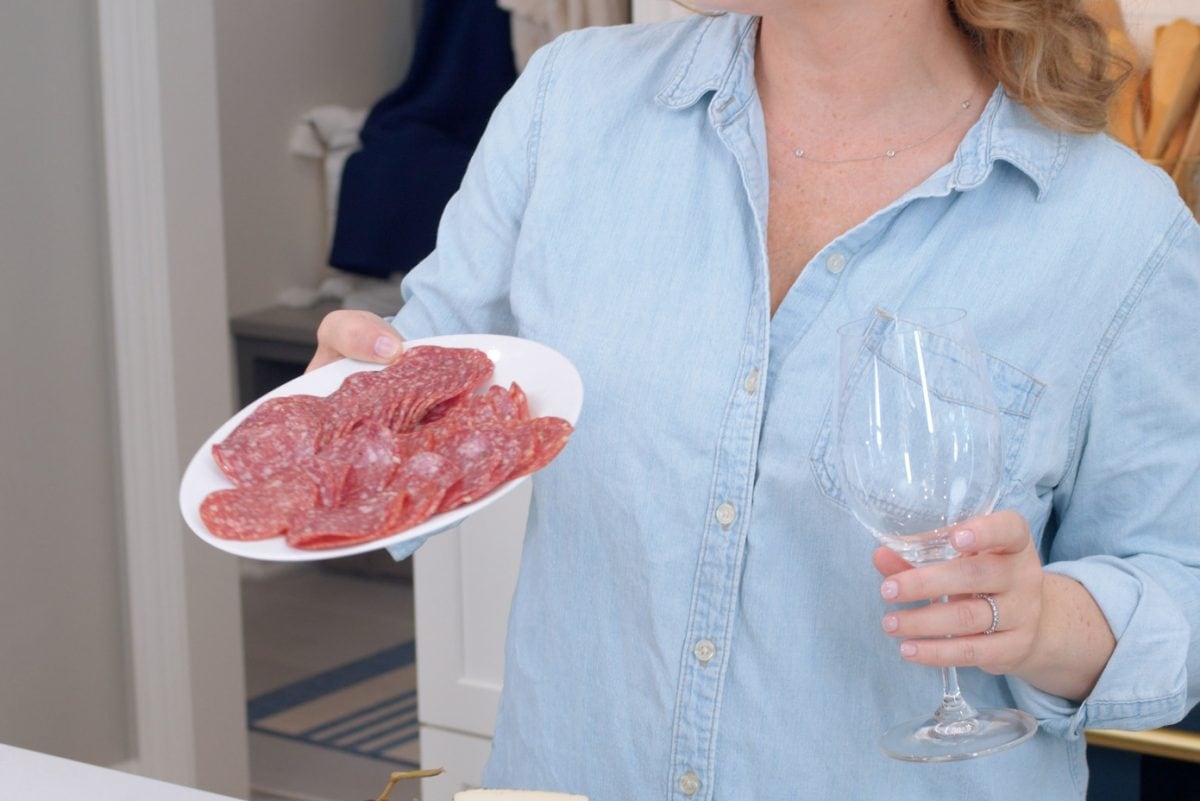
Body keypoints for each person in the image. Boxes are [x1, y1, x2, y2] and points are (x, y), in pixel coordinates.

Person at [308, 1, 1200, 798]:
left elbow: (1180, 587)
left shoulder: (1117, 229)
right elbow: (410, 408)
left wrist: (1043, 621)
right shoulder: (567, 105)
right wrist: (339, 409)